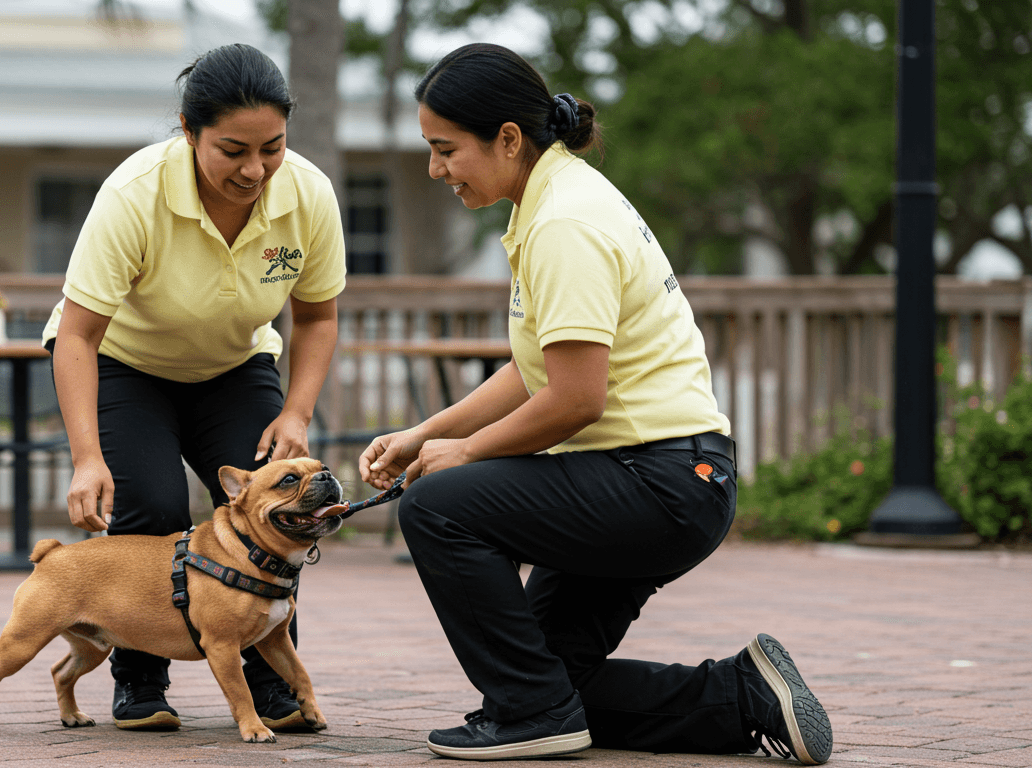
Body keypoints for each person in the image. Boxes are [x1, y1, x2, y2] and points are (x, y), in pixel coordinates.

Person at [358, 43, 832, 763]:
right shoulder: (554, 202)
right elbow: (538, 372)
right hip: (664, 479)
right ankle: (742, 696)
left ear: (508, 139)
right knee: (551, 683)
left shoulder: (563, 225)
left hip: (658, 482)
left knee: (436, 505)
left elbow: (576, 399)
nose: (435, 170)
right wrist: (425, 430)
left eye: (444, 149)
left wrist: (461, 455)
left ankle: (530, 714)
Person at [44, 43, 346, 733]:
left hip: (233, 366)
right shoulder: (134, 193)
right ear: (188, 130)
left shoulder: (307, 193)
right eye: (233, 149)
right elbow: (78, 336)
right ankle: (139, 682)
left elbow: (319, 315)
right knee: (148, 502)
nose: (255, 169)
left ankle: (274, 689)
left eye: (272, 147)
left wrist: (297, 411)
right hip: (126, 362)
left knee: (275, 507)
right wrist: (88, 457)